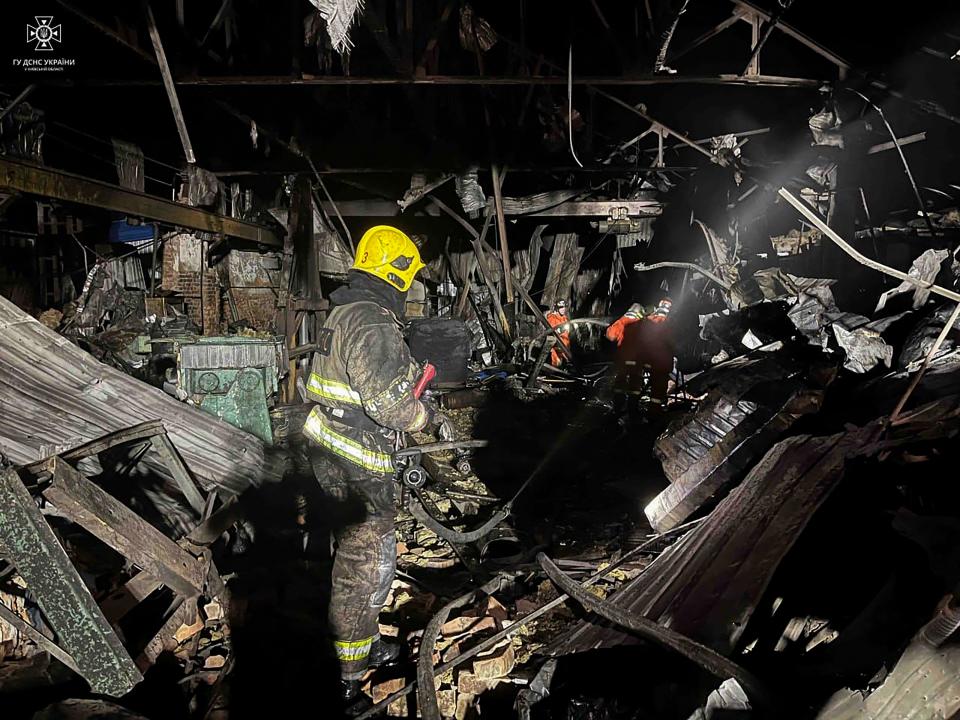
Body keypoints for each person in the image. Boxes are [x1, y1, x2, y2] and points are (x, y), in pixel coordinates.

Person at [302, 225, 452, 702]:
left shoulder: (345, 311)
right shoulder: (372, 320)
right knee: (365, 569)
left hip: (329, 452)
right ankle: (349, 677)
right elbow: (390, 408)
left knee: (344, 560)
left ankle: (358, 644)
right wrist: (428, 417)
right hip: (358, 466)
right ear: (398, 275)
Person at [611, 298, 674, 413]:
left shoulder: (626, 322)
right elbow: (672, 342)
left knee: (621, 383)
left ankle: (620, 408)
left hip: (626, 360)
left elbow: (611, 336)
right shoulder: (667, 323)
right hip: (648, 361)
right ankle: (647, 414)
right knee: (649, 388)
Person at [545, 299, 571, 366]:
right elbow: (553, 331)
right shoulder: (552, 317)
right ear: (557, 308)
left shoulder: (565, 318)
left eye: (564, 307)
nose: (563, 309)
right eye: (561, 307)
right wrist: (561, 329)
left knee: (566, 367)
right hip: (557, 348)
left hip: (566, 347)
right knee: (556, 367)